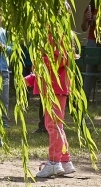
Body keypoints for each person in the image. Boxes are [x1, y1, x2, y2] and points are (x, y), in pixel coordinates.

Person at [26, 33, 76, 179]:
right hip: (56, 86)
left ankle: (54, 162)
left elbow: (59, 61)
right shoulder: (56, 35)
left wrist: (38, 64)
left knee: (53, 125)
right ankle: (65, 160)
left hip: (55, 87)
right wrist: (31, 78)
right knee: (56, 125)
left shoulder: (54, 35)